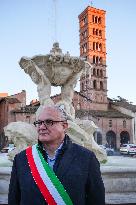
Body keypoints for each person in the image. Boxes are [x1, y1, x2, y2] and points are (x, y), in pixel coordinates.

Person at [8, 105, 105, 205]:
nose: (41, 127)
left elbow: (96, 199)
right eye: (39, 122)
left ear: (64, 126)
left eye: (49, 122)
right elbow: (14, 199)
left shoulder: (86, 158)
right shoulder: (21, 159)